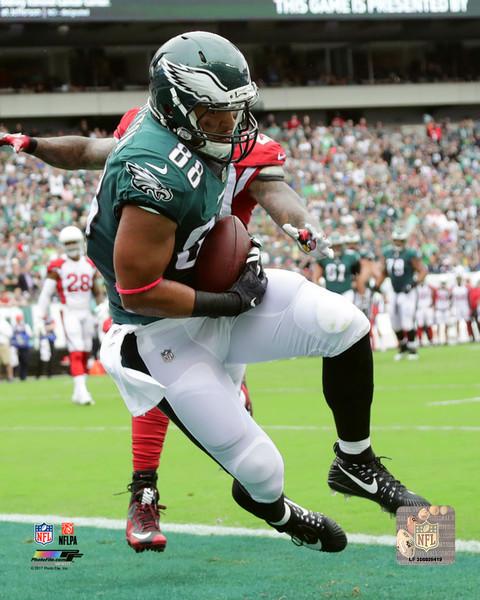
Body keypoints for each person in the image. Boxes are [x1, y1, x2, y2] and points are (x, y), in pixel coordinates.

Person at [87, 31, 428, 554]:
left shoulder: (215, 137)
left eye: (234, 109)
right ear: (175, 107)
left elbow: (269, 183)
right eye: (215, 113)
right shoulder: (150, 171)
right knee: (262, 471)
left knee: (347, 324)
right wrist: (226, 301)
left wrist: (290, 229)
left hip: (224, 300)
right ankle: (279, 512)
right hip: (163, 331)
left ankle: (355, 461)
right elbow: (139, 291)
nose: (231, 125)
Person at [37, 225, 104, 404]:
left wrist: (101, 309)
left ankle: (78, 391)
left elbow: (96, 291)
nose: (72, 245)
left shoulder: (88, 264)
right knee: (76, 349)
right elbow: (46, 292)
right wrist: (40, 315)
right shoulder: (58, 265)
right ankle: (83, 392)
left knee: (85, 351)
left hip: (86, 312)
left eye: (74, 242)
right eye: (68, 243)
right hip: (69, 312)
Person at [381, 227, 427, 361]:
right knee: (394, 321)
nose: (398, 243)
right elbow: (384, 272)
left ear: (405, 241)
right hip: (393, 290)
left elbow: (422, 271)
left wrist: (412, 284)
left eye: (401, 240)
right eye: (396, 240)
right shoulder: (388, 253)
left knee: (407, 320)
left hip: (407, 291)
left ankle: (412, 348)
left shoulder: (410, 254)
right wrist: (377, 285)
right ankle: (402, 346)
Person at [451, 272, 474, 343]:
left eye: (460, 279)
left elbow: (469, 298)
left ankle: (471, 336)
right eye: (458, 279)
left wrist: (470, 307)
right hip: (457, 307)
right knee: (457, 322)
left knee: (468, 321)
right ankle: (458, 337)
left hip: (465, 306)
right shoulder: (453, 288)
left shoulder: (465, 288)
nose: (459, 280)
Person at [11, 313, 32, 380]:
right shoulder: (14, 327)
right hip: (17, 347)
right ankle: (18, 376)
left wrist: (23, 339)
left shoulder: (25, 326)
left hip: (24, 347)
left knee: (25, 361)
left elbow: (29, 335)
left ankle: (24, 376)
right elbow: (12, 336)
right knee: (17, 362)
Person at [415, 281, 435, 345]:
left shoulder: (429, 287)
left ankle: (431, 340)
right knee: (419, 325)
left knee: (429, 324)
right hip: (419, 308)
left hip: (427, 307)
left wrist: (432, 304)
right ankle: (420, 340)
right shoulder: (416, 288)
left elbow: (435, 292)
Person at [434, 276, 452, 345]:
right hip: (439, 309)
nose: (443, 285)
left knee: (446, 325)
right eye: (442, 283)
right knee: (438, 324)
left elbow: (451, 298)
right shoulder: (437, 290)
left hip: (446, 308)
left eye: (444, 283)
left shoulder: (448, 290)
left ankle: (446, 339)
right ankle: (438, 339)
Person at [0, 314, 14, 382]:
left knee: (7, 361)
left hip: (4, 344)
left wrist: (1, 331)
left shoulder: (4, 323)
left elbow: (10, 333)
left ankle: (10, 377)